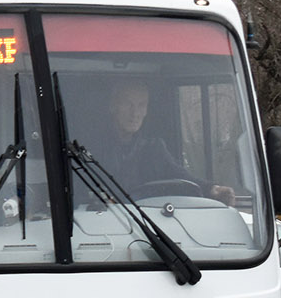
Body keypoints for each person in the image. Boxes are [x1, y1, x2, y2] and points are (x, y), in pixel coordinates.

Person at [97, 78, 234, 205]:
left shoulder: (153, 148)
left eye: (141, 105)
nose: (135, 113)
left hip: (145, 220)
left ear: (146, 110)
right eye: (128, 104)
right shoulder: (90, 148)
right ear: (113, 106)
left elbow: (180, 175)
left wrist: (211, 189)